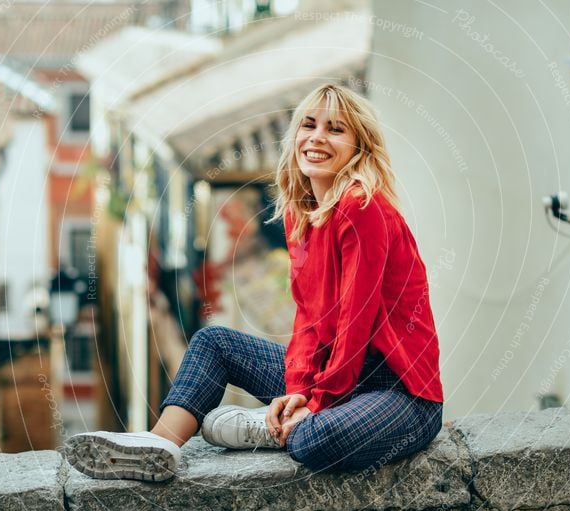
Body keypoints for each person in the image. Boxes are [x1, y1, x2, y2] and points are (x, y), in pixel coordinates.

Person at [64, 83, 444, 482]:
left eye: (336, 130)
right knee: (215, 344)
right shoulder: (304, 215)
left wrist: (316, 403)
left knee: (313, 440)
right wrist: (299, 388)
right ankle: (159, 445)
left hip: (400, 394)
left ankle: (268, 426)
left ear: (359, 147)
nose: (316, 138)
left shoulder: (362, 208)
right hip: (333, 376)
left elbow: (355, 320)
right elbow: (310, 324)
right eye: (309, 125)